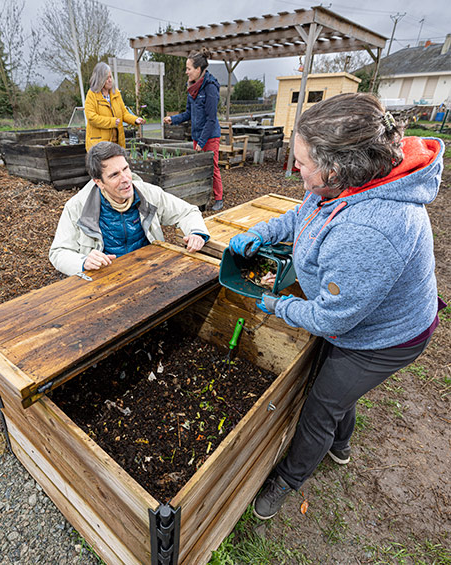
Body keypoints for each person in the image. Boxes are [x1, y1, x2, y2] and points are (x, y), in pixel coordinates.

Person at [229, 93, 445, 520]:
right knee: (335, 382)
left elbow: (332, 317)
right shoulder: (341, 184)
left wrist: (278, 305)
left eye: (303, 162)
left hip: (386, 337)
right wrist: (266, 230)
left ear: (333, 168)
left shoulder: (371, 229)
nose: (297, 169)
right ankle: (341, 446)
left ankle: (287, 480)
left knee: (321, 405)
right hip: (353, 315)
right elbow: (305, 214)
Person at [49, 141, 210, 276]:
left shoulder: (148, 193)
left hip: (149, 272)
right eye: (114, 175)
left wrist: (196, 232)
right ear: (98, 182)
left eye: (125, 169)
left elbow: (187, 212)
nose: (125, 179)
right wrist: (83, 262)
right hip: (104, 280)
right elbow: (58, 252)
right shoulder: (76, 207)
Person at [163, 48, 224, 211]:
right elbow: (189, 113)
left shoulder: (210, 88)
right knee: (198, 166)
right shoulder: (192, 88)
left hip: (210, 136)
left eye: (188, 68)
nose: (186, 72)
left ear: (198, 69)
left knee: (212, 166)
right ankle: (201, 196)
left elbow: (211, 120)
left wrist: (202, 141)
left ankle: (219, 198)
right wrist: (173, 119)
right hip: (197, 135)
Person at [85, 62, 145, 151]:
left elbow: (124, 113)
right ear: (99, 79)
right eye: (106, 78)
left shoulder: (115, 93)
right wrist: (112, 122)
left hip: (117, 143)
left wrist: (135, 119)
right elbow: (92, 118)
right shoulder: (92, 94)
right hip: (100, 145)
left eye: (110, 77)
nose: (110, 80)